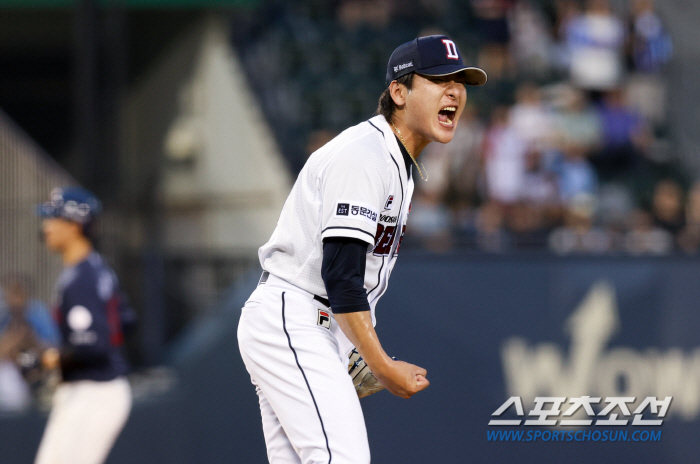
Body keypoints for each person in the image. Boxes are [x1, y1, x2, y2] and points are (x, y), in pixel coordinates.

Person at [237, 35, 486, 463]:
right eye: (440, 79)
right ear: (398, 92)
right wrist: (382, 365)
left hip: (311, 322)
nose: (455, 91)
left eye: (460, 81)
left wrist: (349, 348)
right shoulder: (365, 155)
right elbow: (341, 276)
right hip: (295, 317)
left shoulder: (397, 163)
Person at [34, 187, 134, 464]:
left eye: (53, 218)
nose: (46, 227)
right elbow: (126, 321)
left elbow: (94, 347)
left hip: (94, 392)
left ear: (75, 225)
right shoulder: (96, 268)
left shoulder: (81, 278)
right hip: (96, 388)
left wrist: (51, 359)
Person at [0, 274, 59, 412]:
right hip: (12, 373)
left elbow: (54, 349)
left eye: (18, 293)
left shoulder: (38, 313)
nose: (15, 300)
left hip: (40, 370)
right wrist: (14, 339)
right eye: (11, 294)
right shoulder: (4, 316)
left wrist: (31, 340)